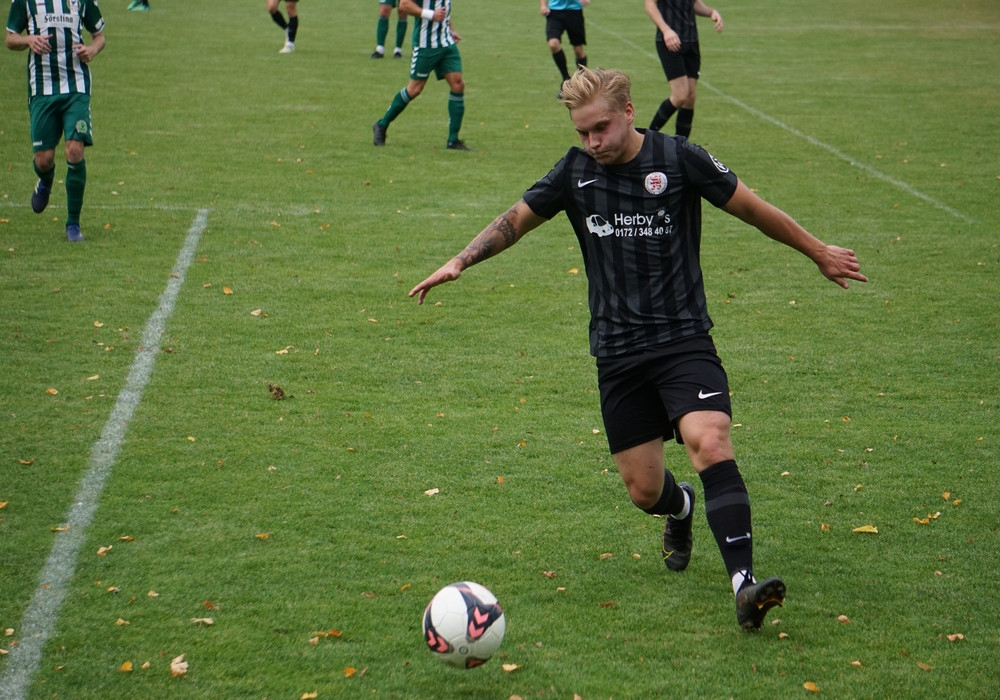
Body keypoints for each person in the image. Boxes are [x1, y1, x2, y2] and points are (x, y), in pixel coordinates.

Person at [409, 67, 868, 629]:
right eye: (582, 132)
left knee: (710, 441)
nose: (592, 142)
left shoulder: (679, 160)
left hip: (683, 340)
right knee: (644, 490)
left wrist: (819, 251)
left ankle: (744, 587)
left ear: (628, 112)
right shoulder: (575, 172)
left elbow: (753, 208)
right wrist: (460, 261)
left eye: (600, 128)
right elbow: (516, 220)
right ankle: (681, 507)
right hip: (618, 353)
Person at [6, 0, 106, 243]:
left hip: (76, 86)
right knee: (44, 159)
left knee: (75, 150)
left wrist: (92, 50)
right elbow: (10, 39)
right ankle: (46, 179)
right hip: (42, 89)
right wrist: (29, 40)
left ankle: (73, 224)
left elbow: (99, 37)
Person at [372, 0, 471, 151]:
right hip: (425, 46)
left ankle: (453, 140)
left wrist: (450, 30)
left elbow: (443, 8)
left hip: (446, 44)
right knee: (414, 89)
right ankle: (382, 125)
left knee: (458, 85)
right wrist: (430, 14)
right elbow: (404, 5)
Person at [644, 0, 722, 137]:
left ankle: (681, 146)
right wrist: (666, 30)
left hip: (691, 41)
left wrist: (711, 12)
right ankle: (646, 139)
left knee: (690, 97)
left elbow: (693, 3)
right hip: (669, 42)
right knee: (680, 96)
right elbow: (649, 5)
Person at [540, 0, 590, 98]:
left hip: (574, 11)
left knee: (578, 50)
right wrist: (543, 5)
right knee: (553, 44)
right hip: (555, 12)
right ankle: (566, 80)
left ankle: (582, 82)